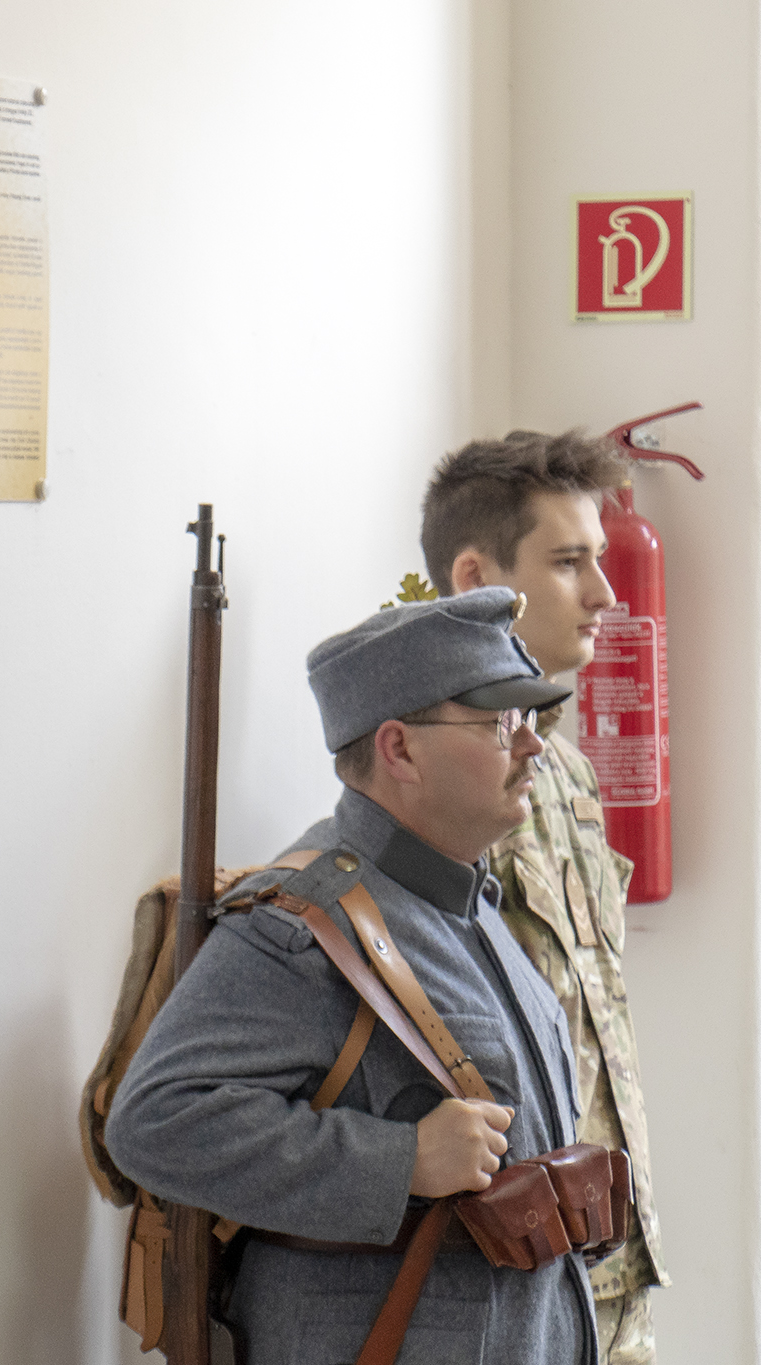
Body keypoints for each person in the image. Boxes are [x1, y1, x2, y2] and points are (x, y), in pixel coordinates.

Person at [105, 588, 596, 1362]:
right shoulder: (304, 922)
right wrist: (400, 1160)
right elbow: (154, 1120)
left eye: (530, 717)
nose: (533, 744)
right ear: (399, 750)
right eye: (503, 721)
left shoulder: (466, 901)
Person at [423, 430, 666, 1361]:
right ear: (476, 577)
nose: (605, 593)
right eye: (569, 563)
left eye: (598, 558)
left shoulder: (563, 769)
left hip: (611, 1265)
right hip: (516, 1283)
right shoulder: (434, 788)